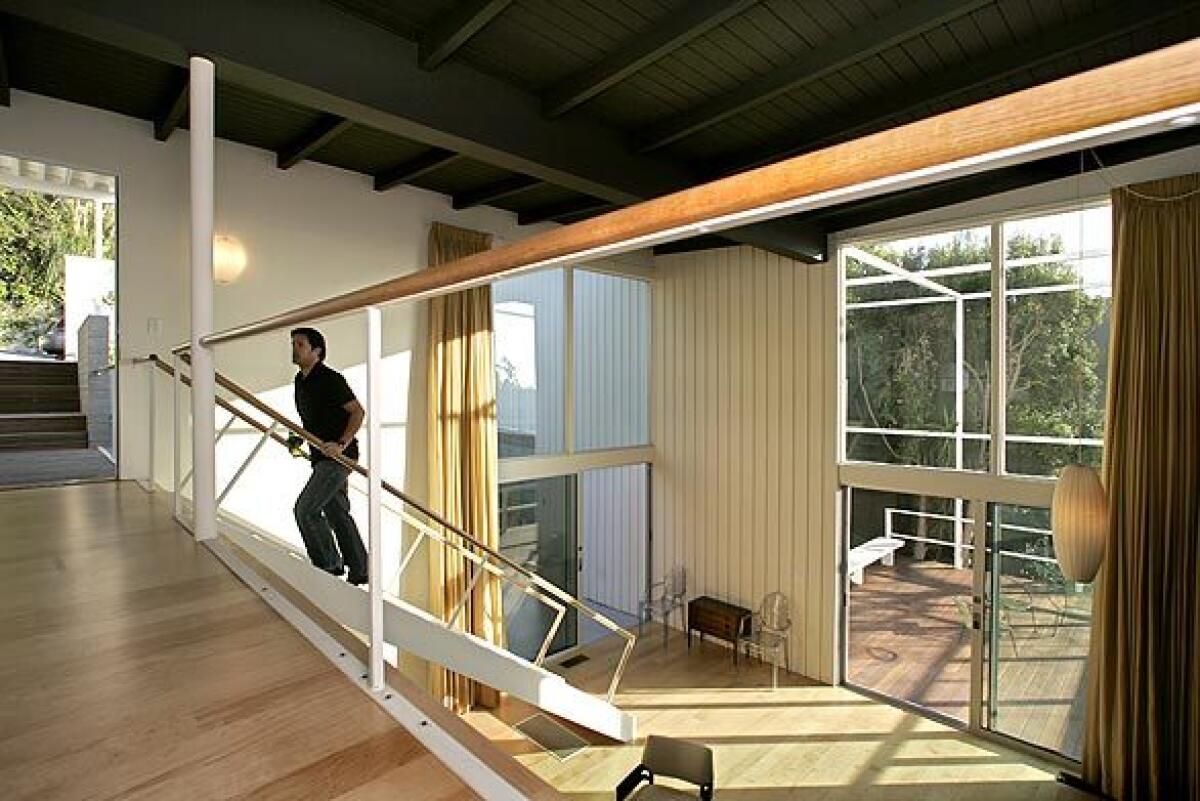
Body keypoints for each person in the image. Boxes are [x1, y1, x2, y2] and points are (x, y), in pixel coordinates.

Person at [290, 327, 369, 585]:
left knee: (306, 510)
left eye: (300, 344)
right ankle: (360, 569)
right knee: (336, 513)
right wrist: (298, 437)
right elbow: (311, 419)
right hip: (319, 455)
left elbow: (357, 412)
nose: (294, 348)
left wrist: (340, 443)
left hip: (338, 457)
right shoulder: (300, 381)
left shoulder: (331, 379)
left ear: (317, 351)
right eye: (293, 344)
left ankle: (329, 567)